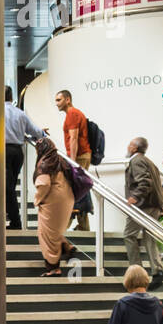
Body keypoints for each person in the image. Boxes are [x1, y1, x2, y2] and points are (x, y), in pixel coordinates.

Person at [124, 137, 163, 289]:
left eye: (130, 144)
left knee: (129, 235)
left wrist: (134, 197)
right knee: (149, 236)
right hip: (153, 205)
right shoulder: (150, 162)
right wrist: (160, 206)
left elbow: (145, 182)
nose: (127, 147)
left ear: (135, 148)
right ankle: (158, 270)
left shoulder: (136, 161)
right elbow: (157, 184)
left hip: (143, 206)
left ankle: (137, 271)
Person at [33, 137, 77, 277]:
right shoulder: (60, 160)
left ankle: (53, 267)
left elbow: (44, 184)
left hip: (53, 200)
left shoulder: (44, 162)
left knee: (46, 234)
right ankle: (65, 247)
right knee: (54, 232)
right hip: (67, 198)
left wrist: (37, 199)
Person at [3, 86, 44, 231]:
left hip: (3, 152)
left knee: (7, 189)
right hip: (18, 153)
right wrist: (42, 134)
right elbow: (36, 132)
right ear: (10, 97)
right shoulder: (19, 113)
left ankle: (15, 222)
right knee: (10, 187)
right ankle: (11, 217)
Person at [54, 88, 91, 231]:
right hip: (81, 156)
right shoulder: (73, 114)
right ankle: (83, 226)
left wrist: (72, 162)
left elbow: (74, 138)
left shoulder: (72, 114)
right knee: (78, 191)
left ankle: (63, 228)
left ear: (67, 100)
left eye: (59, 100)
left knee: (69, 192)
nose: (56, 103)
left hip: (79, 157)